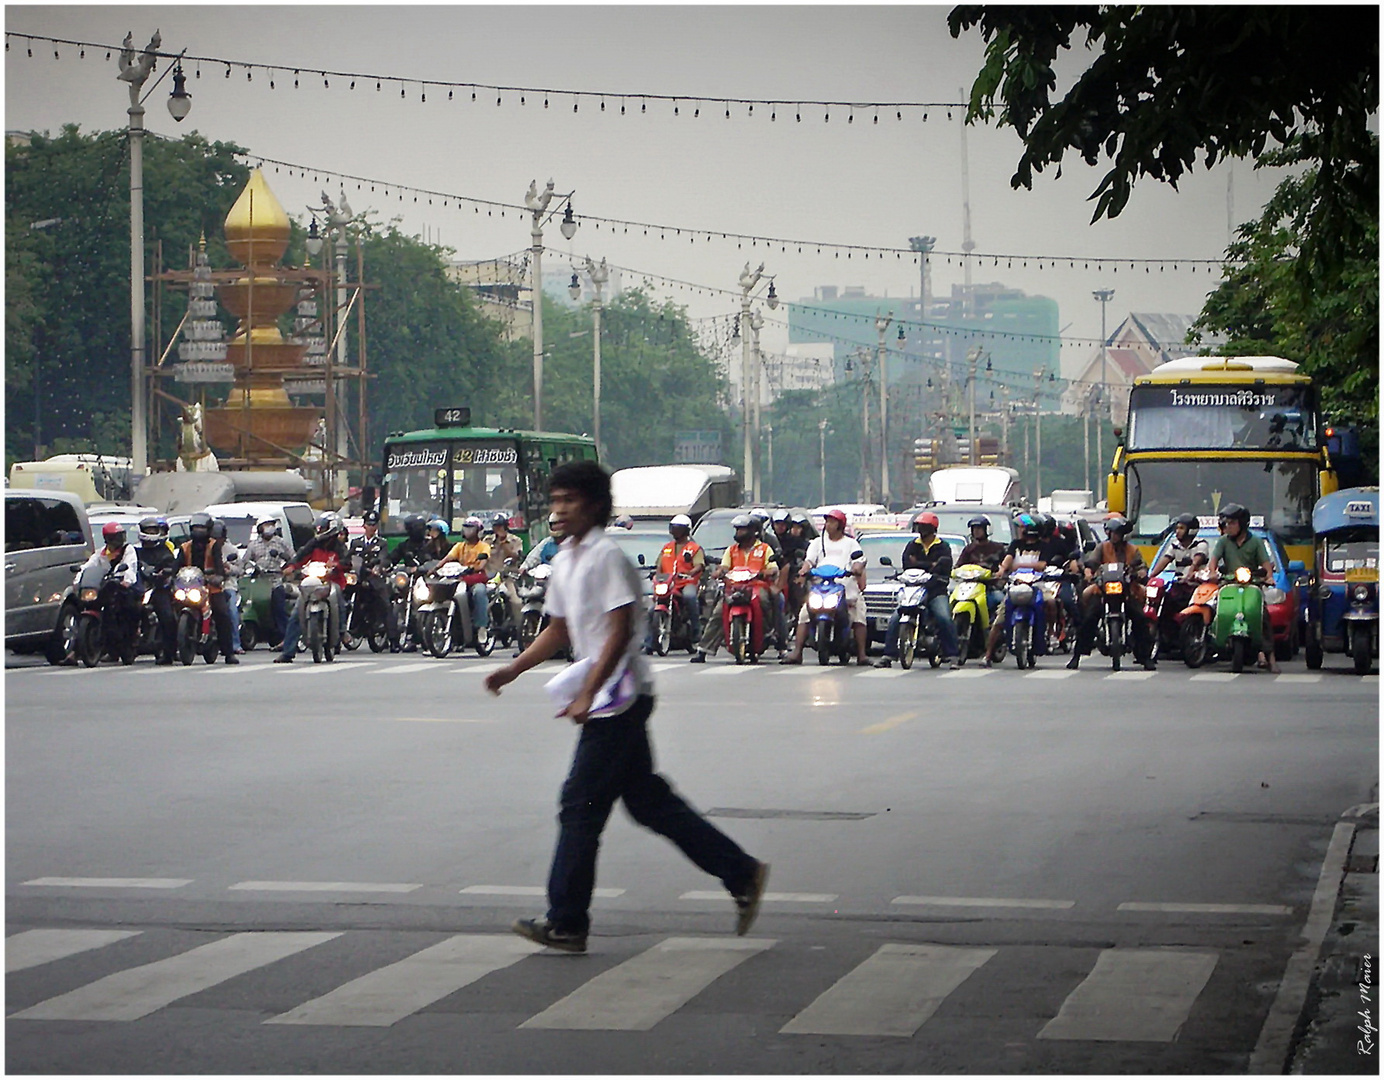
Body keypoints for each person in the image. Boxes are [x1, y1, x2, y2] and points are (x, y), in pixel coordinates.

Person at [483, 459, 769, 953]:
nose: (558, 510)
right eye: (554, 501)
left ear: (593, 506)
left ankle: (567, 921)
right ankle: (741, 872)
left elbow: (618, 631)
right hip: (608, 696)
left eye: (568, 501)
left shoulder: (605, 557)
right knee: (649, 803)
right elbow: (559, 628)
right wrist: (514, 669)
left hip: (619, 698)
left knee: (579, 807)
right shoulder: (567, 558)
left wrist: (590, 691)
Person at [780, 508, 870, 666]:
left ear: (840, 525)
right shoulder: (816, 542)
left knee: (858, 614)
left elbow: (858, 559)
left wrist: (856, 568)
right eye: (827, 521)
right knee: (804, 614)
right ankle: (797, 652)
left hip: (845, 585)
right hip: (821, 585)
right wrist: (804, 570)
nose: (828, 525)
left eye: (832, 522)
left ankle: (862, 654)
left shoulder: (851, 543)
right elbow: (809, 561)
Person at [1066, 515, 1155, 671]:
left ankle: (1145, 657)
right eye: (1112, 532)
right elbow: (1091, 564)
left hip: (1127, 591)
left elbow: (1141, 566)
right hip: (1103, 591)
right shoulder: (1102, 547)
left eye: (1117, 533)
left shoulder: (1133, 550)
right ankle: (1077, 655)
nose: (1114, 536)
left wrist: (1140, 573)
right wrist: (1088, 573)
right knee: (1089, 618)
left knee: (1140, 618)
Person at [875, 511, 960, 668]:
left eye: (924, 526)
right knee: (895, 618)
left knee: (944, 617)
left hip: (935, 591)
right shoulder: (912, 545)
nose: (921, 529)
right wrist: (930, 565)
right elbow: (907, 564)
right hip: (912, 589)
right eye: (919, 526)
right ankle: (888, 655)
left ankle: (952, 655)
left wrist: (922, 564)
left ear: (932, 528)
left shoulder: (943, 546)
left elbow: (944, 567)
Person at [689, 514, 778, 662]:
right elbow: (724, 566)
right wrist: (719, 572)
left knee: (764, 600)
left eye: (741, 530)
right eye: (737, 530)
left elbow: (772, 568)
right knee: (718, 611)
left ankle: (768, 633)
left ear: (752, 531)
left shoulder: (764, 549)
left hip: (756, 586)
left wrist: (764, 573)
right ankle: (703, 650)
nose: (738, 533)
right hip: (734, 586)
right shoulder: (731, 550)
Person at [1206, 502, 1280, 673]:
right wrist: (1212, 572)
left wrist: (1268, 576)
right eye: (1226, 523)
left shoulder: (1255, 541)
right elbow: (1214, 560)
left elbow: (1265, 563)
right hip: (1229, 582)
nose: (1228, 527)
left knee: (1263, 616)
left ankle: (1270, 657)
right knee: (1214, 607)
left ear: (1243, 524)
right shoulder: (1223, 541)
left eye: (1232, 523)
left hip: (1252, 583)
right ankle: (1208, 643)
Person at [273, 512, 350, 663]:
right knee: (296, 613)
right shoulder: (314, 543)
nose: (319, 532)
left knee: (339, 599)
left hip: (332, 583)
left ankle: (342, 631)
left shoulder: (339, 546)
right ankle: (288, 652)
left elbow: (347, 562)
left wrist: (337, 566)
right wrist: (291, 566)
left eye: (322, 529)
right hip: (313, 583)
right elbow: (301, 555)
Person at [983, 514, 1048, 666]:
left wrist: (1019, 567)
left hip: (1036, 585)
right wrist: (1000, 572)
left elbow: (1042, 565)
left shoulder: (1042, 546)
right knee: (1000, 619)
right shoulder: (1015, 544)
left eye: (1022, 528)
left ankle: (1046, 637)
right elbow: (1007, 561)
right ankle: (988, 654)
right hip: (1015, 585)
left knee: (1048, 604)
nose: (1020, 530)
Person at [179, 512, 237, 664]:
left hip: (211, 587)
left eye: (202, 528)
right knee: (171, 609)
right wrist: (170, 577)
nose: (198, 531)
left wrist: (218, 577)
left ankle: (229, 652)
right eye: (196, 527)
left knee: (222, 613)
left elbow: (219, 565)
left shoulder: (214, 545)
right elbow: (176, 567)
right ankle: (169, 651)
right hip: (190, 585)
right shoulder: (185, 547)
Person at [644, 514, 704, 653]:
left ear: (686, 530)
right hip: (668, 583)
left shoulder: (694, 548)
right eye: (673, 528)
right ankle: (648, 642)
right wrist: (657, 574)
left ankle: (696, 631)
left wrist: (691, 573)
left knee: (689, 597)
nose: (674, 531)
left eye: (678, 529)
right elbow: (659, 565)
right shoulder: (667, 548)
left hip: (686, 582)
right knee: (651, 610)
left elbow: (699, 565)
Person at [79, 521, 143, 652]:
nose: (118, 540)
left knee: (129, 607)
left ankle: (131, 637)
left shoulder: (128, 550)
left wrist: (126, 581)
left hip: (125, 587)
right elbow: (88, 566)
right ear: (107, 539)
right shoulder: (101, 553)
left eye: (120, 536)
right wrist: (79, 579)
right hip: (106, 586)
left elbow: (131, 567)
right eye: (115, 537)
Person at [349, 509, 402, 652]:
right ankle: (342, 634)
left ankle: (393, 640)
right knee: (343, 598)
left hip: (375, 579)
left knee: (385, 605)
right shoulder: (356, 543)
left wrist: (378, 567)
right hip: (359, 578)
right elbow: (349, 558)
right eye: (368, 524)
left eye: (374, 524)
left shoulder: (381, 543)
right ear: (364, 526)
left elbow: (384, 558)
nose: (371, 527)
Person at [439, 515, 491, 643]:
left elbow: (483, 562)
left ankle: (481, 627)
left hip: (476, 578)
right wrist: (434, 568)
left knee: (479, 592)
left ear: (478, 531)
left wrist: (475, 568)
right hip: (461, 578)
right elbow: (447, 559)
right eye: (466, 528)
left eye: (471, 529)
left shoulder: (483, 546)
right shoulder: (459, 546)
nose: (468, 532)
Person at [135, 517, 178, 664]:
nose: (152, 533)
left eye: (154, 530)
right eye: (148, 530)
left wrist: (164, 573)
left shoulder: (164, 550)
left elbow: (172, 566)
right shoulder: (134, 551)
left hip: (158, 589)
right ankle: (115, 648)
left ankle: (169, 652)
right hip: (137, 588)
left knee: (167, 617)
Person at [245, 517, 294, 645]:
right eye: (266, 525)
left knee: (279, 607)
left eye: (271, 525)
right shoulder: (253, 545)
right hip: (259, 581)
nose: (269, 527)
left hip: (276, 580)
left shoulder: (281, 543)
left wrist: (287, 568)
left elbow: (293, 558)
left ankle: (285, 637)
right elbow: (244, 563)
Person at [956, 515, 1008, 632]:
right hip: (971, 588)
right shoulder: (968, 549)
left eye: (979, 528)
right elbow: (958, 566)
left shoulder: (998, 548)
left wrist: (999, 577)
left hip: (991, 587)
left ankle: (998, 633)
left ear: (987, 530)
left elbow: (1006, 567)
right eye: (974, 529)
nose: (977, 531)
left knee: (1001, 602)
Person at [486, 512, 525, 643]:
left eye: (501, 527)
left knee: (516, 602)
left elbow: (515, 556)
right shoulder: (487, 540)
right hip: (490, 577)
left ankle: (522, 634)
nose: (498, 530)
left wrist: (503, 543)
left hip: (508, 577)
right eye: (496, 527)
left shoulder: (515, 540)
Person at [211, 520, 245, 655]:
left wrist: (228, 569)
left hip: (227, 585)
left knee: (231, 610)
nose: (216, 541)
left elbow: (240, 569)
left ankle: (235, 644)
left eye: (219, 538)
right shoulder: (205, 548)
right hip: (208, 584)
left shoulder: (231, 550)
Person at [1149, 513, 1212, 580]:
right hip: (1180, 583)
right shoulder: (1174, 546)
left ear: (1191, 531)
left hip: (1197, 583)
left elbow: (1196, 562)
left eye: (1181, 528)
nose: (1177, 531)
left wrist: (1190, 573)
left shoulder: (1201, 544)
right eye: (1177, 528)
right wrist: (1149, 578)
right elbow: (1163, 563)